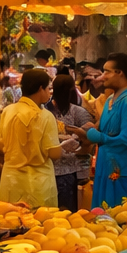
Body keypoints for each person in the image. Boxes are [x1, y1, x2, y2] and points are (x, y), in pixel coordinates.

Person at [87, 53, 127, 207]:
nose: (103, 76)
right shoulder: (111, 99)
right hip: (105, 170)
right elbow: (102, 128)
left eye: (107, 71)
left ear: (120, 73)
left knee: (120, 224)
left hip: (123, 174)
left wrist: (100, 138)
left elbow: (126, 139)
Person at [0, 69, 63, 208]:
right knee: (40, 227)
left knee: (10, 223)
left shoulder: (8, 111)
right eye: (47, 88)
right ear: (40, 88)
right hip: (39, 185)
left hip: (11, 182)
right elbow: (54, 154)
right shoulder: (45, 116)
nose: (49, 92)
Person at [45, 74, 93, 211]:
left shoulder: (78, 112)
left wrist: (72, 132)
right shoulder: (44, 111)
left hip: (69, 170)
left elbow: (89, 140)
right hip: (48, 168)